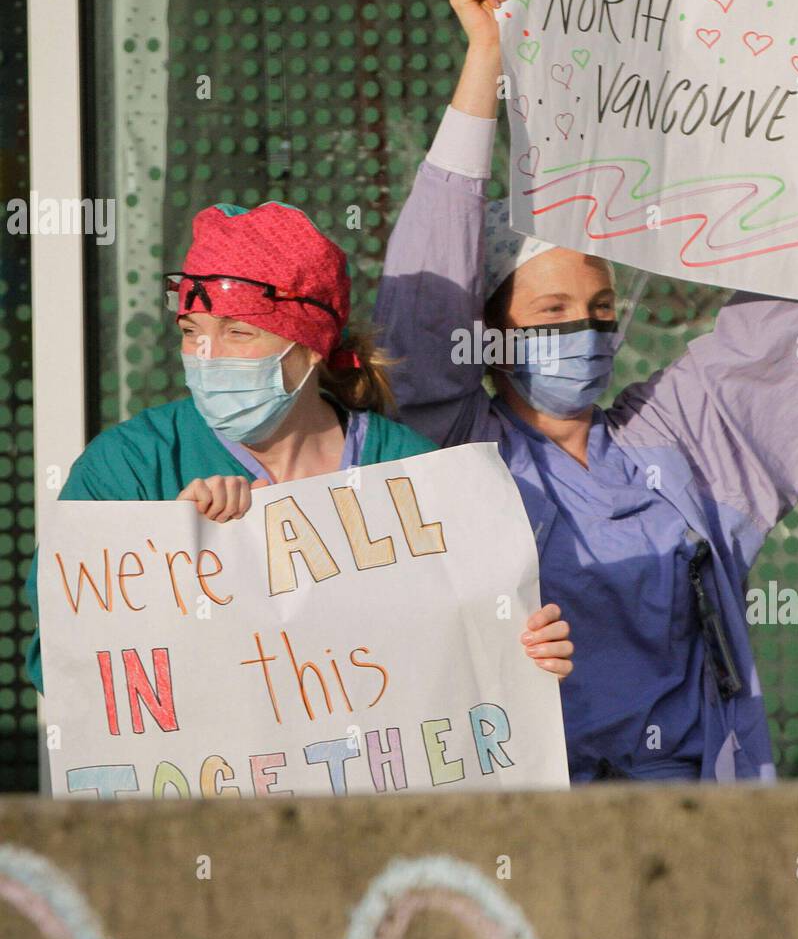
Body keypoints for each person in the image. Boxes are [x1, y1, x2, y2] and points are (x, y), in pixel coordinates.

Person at [373, 0, 798, 785]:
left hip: (694, 824)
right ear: (486, 334)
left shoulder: (680, 447)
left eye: (601, 311)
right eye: (550, 312)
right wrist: (484, 62)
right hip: (528, 830)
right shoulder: (454, 457)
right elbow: (420, 319)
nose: (584, 330)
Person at [24, 199, 572, 693]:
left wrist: (523, 651)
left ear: (311, 349)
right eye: (191, 331)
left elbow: (475, 652)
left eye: (239, 334)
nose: (206, 356)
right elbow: (57, 661)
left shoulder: (410, 472)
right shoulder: (129, 468)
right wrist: (162, 562)